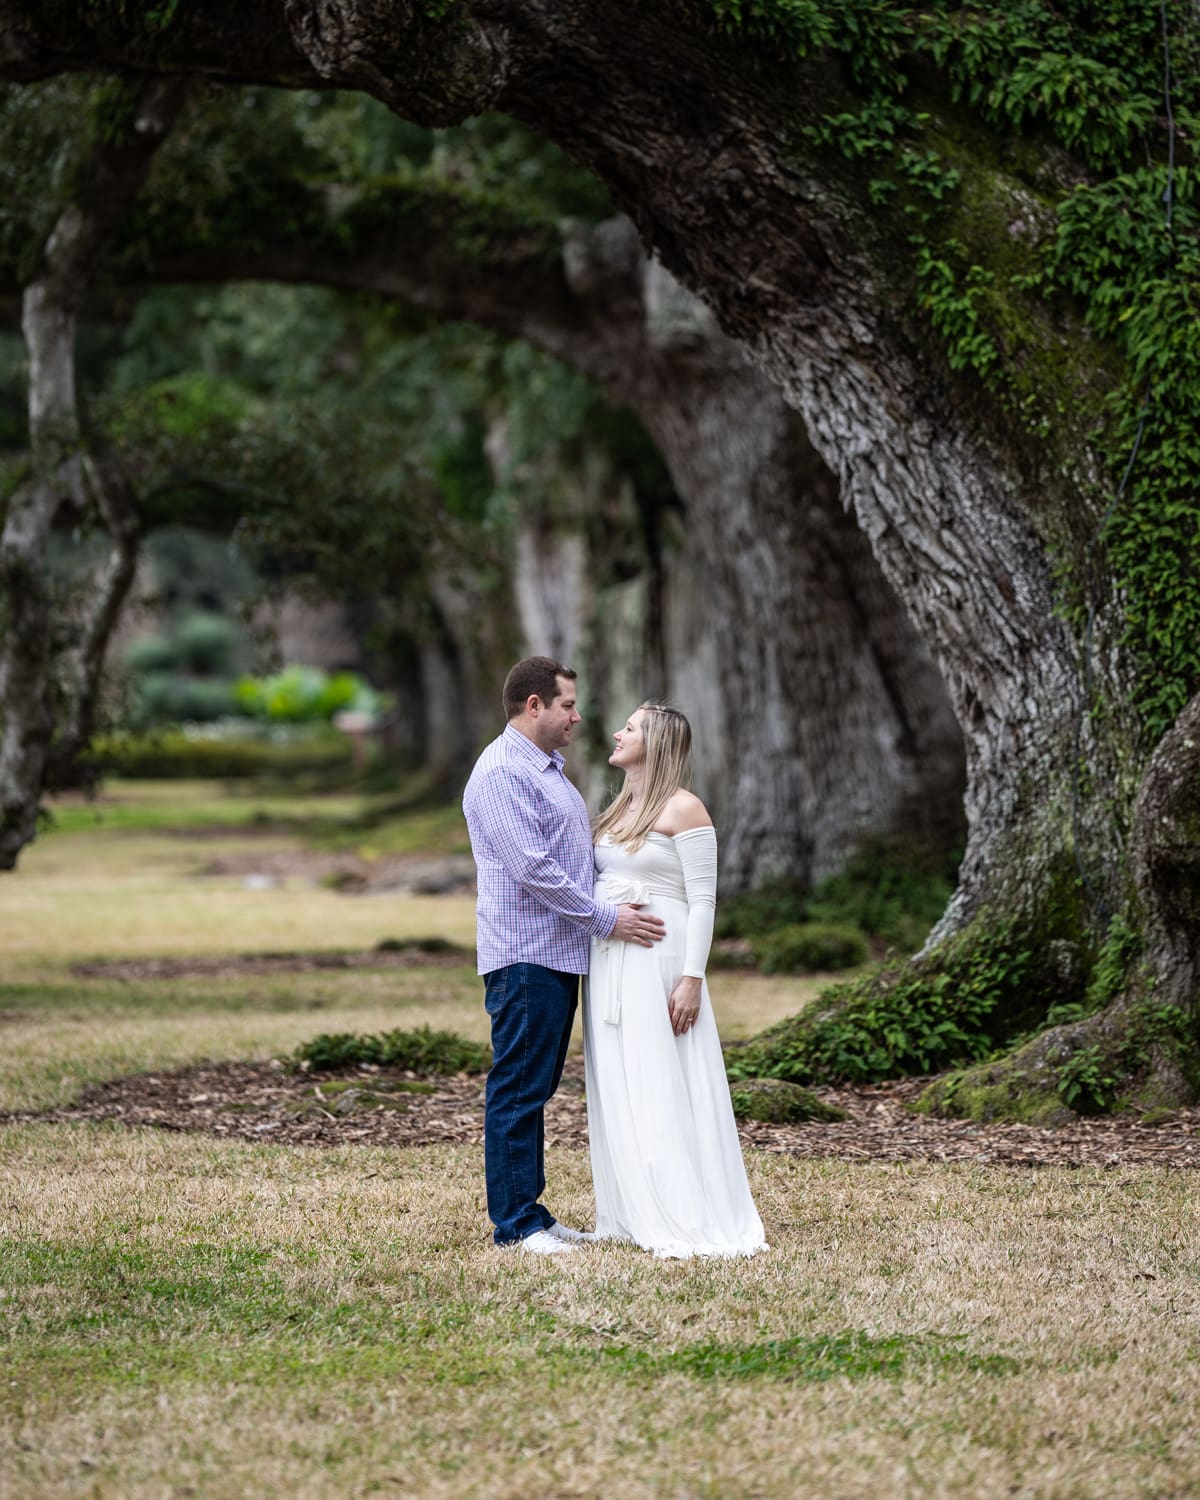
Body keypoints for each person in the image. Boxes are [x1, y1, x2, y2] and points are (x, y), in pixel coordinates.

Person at [463, 657, 666, 1257]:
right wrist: (607, 919)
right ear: (534, 706)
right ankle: (516, 1226)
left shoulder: (546, 768)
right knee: (519, 1087)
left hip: (556, 954)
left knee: (535, 1085)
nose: (578, 716)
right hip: (525, 955)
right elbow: (534, 869)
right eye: (567, 704)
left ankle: (532, 1213)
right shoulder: (502, 773)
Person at [583, 703, 767, 1258]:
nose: (618, 733)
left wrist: (692, 979)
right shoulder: (618, 808)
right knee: (620, 1077)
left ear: (656, 741)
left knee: (661, 1074)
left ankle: (684, 1208)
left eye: (631, 728)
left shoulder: (685, 808)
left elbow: (705, 899)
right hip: (611, 962)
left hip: (661, 962)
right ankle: (630, 1209)